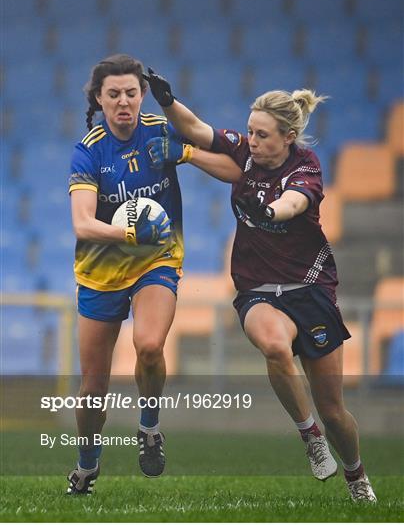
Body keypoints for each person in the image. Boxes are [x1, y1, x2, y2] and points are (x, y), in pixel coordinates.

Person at [143, 68, 377, 503]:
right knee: (273, 345)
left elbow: (294, 203)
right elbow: (196, 131)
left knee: (335, 411)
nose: (252, 140)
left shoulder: (306, 167)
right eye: (250, 131)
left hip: (309, 289)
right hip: (257, 288)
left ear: (287, 137)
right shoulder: (244, 152)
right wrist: (167, 101)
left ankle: (355, 474)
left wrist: (268, 212)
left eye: (262, 134)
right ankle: (310, 438)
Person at [66, 54, 241, 495]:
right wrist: (129, 233)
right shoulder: (88, 150)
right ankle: (87, 467)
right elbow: (83, 223)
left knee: (148, 345)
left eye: (131, 92)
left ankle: (149, 427)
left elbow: (235, 171)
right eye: (113, 94)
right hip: (100, 272)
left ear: (141, 94)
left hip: (156, 261)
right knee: (92, 391)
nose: (123, 101)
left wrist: (185, 152)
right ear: (99, 100)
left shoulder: (161, 130)